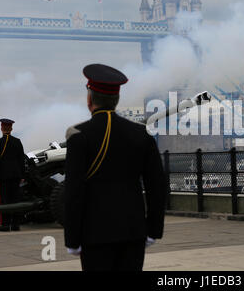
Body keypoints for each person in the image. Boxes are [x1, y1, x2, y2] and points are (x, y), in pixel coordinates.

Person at [64, 63, 168, 271]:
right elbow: (158, 186)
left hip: (94, 234)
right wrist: (153, 230)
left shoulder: (78, 136)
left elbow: (74, 191)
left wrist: (73, 239)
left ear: (89, 99)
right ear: (117, 99)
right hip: (133, 231)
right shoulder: (141, 134)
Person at [0, 119, 26, 231]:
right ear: (11, 128)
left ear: (1, 128)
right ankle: (16, 224)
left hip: (4, 176)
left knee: (5, 200)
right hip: (16, 175)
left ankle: (6, 225)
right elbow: (21, 160)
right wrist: (22, 175)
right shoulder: (17, 141)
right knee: (16, 199)